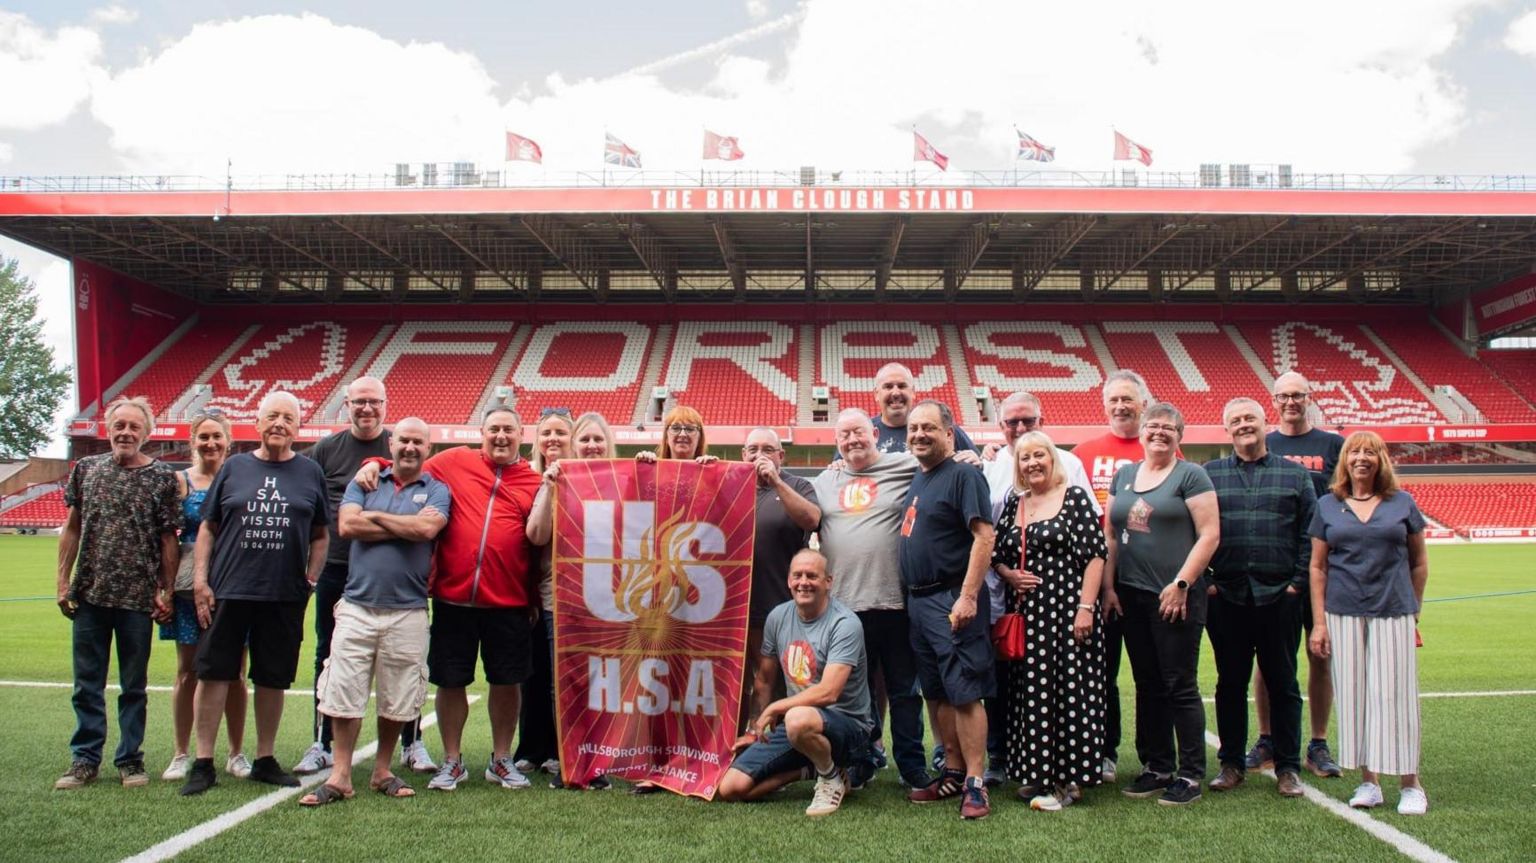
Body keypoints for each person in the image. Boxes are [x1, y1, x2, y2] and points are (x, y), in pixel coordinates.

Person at [181, 391, 331, 795]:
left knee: (272, 677)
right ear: (259, 423)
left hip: (283, 594)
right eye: (272, 416)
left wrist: (311, 579)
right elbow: (208, 528)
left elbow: (321, 534)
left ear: (298, 428)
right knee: (214, 674)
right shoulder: (235, 467)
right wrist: (200, 580)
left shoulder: (309, 472)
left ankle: (264, 758)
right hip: (229, 589)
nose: (280, 423)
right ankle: (204, 761)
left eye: (288, 417)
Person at [299, 418, 450, 805]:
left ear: (427, 449)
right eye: (404, 440)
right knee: (343, 691)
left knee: (398, 696)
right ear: (392, 443)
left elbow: (426, 531)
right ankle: (341, 774)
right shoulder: (364, 480)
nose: (410, 447)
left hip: (409, 608)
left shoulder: (437, 489)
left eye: (418, 441)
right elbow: (347, 525)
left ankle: (382, 769)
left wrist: (376, 517)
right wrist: (403, 524)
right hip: (357, 605)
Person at [395, 405, 543, 792]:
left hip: (508, 602)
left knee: (507, 682)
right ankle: (452, 760)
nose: (500, 436)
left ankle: (501, 759)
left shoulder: (533, 480)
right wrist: (376, 461)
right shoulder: (455, 461)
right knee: (450, 680)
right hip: (453, 599)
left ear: (520, 435)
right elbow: (408, 465)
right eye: (494, 429)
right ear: (482, 432)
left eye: (508, 430)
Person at [795, 408, 928, 789]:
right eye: (844, 435)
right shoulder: (825, 480)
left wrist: (972, 454)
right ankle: (861, 760)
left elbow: (941, 457)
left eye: (858, 432)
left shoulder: (904, 464)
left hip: (894, 601)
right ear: (836, 443)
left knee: (904, 690)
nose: (852, 440)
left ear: (873, 433)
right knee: (856, 695)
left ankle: (911, 765)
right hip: (845, 606)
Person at [54, 397, 179, 791]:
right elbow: (72, 527)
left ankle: (130, 759)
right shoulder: (86, 470)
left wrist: (168, 590)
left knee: (133, 686)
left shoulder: (161, 477)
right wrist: (62, 580)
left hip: (137, 599)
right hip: (89, 593)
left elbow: (167, 540)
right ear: (109, 428)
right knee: (86, 683)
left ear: (147, 432)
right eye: (119, 425)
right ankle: (85, 759)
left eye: (134, 426)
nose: (126, 432)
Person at [1308, 432, 1430, 815]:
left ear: (1381, 461)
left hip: (1393, 610)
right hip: (1343, 613)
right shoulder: (1328, 505)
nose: (1362, 458)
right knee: (1356, 697)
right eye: (1355, 452)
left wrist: (1414, 612)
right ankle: (1370, 782)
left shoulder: (1402, 503)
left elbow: (1419, 562)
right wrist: (1319, 624)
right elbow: (1317, 567)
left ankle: (1411, 784)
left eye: (1370, 453)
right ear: (1345, 460)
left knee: (1396, 697)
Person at [1103, 402, 1219, 807]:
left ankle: (1189, 773)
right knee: (1148, 684)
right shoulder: (1125, 475)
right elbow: (1112, 537)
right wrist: (1109, 588)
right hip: (1131, 595)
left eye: (1167, 428)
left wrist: (1182, 583)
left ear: (1179, 435)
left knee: (1179, 685)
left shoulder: (1192, 474)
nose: (1158, 433)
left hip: (1175, 597)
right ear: (1142, 431)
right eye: (1152, 426)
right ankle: (1157, 765)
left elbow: (1209, 535)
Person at [979, 390, 1097, 785]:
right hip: (1021, 611)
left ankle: (1071, 775)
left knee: (1068, 690)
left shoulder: (1075, 490)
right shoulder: (1012, 496)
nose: (1031, 461)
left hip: (1065, 608)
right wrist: (1007, 573)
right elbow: (995, 546)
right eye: (1012, 424)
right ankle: (1029, 767)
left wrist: (1086, 607)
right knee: (1026, 693)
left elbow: (1095, 554)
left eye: (1038, 454)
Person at [1203, 397, 1316, 799]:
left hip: (1279, 597)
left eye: (1250, 417)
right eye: (1235, 420)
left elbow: (1310, 535)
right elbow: (1195, 532)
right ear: (1227, 429)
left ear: (1264, 422)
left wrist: (1296, 585)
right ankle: (1231, 763)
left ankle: (1287, 767)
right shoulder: (1209, 474)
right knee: (1229, 683)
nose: (1244, 425)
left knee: (1283, 683)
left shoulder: (1295, 475)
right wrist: (1208, 583)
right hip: (1226, 596)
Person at [717, 550, 874, 818]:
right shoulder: (778, 617)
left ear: (828, 581)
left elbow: (829, 692)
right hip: (798, 729)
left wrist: (775, 708)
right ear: (788, 580)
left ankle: (831, 777)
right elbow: (765, 679)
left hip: (848, 730)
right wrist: (756, 730)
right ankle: (812, 769)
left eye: (812, 576)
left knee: (797, 717)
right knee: (731, 789)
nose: (804, 582)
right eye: (797, 575)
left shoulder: (845, 624)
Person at [898, 400, 996, 819]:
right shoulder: (921, 478)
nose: (919, 434)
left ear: (948, 434)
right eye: (913, 428)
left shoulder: (963, 474)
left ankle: (976, 781)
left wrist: (969, 595)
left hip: (951, 596)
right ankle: (953, 770)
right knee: (936, 691)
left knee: (964, 690)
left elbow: (984, 537)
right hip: (919, 602)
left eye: (929, 428)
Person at [1251, 371, 1346, 779]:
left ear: (1310, 398)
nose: (1291, 402)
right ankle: (1267, 738)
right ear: (1273, 400)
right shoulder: (1265, 443)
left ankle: (1319, 742)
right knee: (1268, 659)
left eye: (1297, 395)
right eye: (1283, 396)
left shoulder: (1333, 445)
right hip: (1278, 567)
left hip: (1323, 566)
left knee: (1319, 653)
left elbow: (1347, 499)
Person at [1071, 368, 1156, 784]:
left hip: (1146, 577)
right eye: (1114, 400)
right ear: (1104, 406)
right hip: (1095, 577)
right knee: (1098, 672)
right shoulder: (1083, 453)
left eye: (1128, 399)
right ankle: (1103, 749)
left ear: (1143, 403)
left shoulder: (1157, 449)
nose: (1121, 406)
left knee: (1149, 671)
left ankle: (1152, 755)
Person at [523, 410, 615, 790]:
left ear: (609, 444)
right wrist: (548, 487)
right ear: (574, 445)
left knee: (604, 683)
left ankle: (602, 760)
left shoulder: (621, 480)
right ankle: (571, 761)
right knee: (565, 683)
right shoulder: (559, 480)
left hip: (611, 601)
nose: (591, 446)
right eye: (585, 440)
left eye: (598, 440)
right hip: (560, 600)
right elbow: (536, 536)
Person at [160, 409, 250, 783]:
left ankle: (236, 752)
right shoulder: (180, 482)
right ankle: (182, 752)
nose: (210, 443)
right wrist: (162, 587)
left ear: (229, 441)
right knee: (188, 671)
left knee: (236, 674)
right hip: (187, 585)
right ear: (192, 441)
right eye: (203, 437)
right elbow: (165, 538)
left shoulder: (242, 478)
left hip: (234, 584)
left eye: (217, 436)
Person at [740, 427, 820, 730]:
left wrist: (774, 480)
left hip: (781, 605)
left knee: (778, 682)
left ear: (780, 455)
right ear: (743, 454)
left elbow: (812, 520)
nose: (759, 455)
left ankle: (780, 748)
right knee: (737, 684)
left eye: (768, 449)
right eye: (753, 449)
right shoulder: (731, 485)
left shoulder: (797, 484)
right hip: (736, 608)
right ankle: (738, 748)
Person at [514, 407, 577, 784]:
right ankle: (530, 748)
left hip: (565, 593)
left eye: (560, 433)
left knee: (562, 676)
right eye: (546, 433)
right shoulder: (526, 477)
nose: (553, 439)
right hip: (526, 589)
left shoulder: (586, 477)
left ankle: (558, 748)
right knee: (531, 672)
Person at [870, 362, 980, 459]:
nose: (896, 393)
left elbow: (979, 465)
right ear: (876, 394)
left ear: (913, 392)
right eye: (888, 387)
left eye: (902, 386)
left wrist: (978, 460)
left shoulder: (942, 428)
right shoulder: (865, 433)